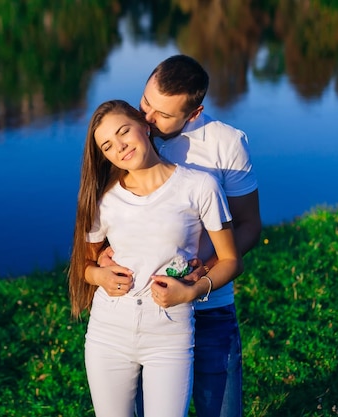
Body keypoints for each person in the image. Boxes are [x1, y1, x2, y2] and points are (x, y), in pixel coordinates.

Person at [93, 55, 262, 417]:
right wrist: (102, 257)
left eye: (163, 115)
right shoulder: (131, 134)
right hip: (142, 312)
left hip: (209, 305)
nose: (148, 121)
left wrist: (203, 275)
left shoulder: (226, 144)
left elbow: (249, 224)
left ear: (195, 112)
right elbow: (113, 208)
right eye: (145, 104)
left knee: (219, 408)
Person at [68, 99, 243, 417]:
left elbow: (231, 260)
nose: (119, 147)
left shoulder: (200, 186)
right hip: (108, 330)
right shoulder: (105, 199)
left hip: (170, 331)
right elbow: (84, 265)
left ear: (144, 126)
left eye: (124, 132)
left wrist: (192, 291)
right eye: (108, 146)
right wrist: (100, 277)